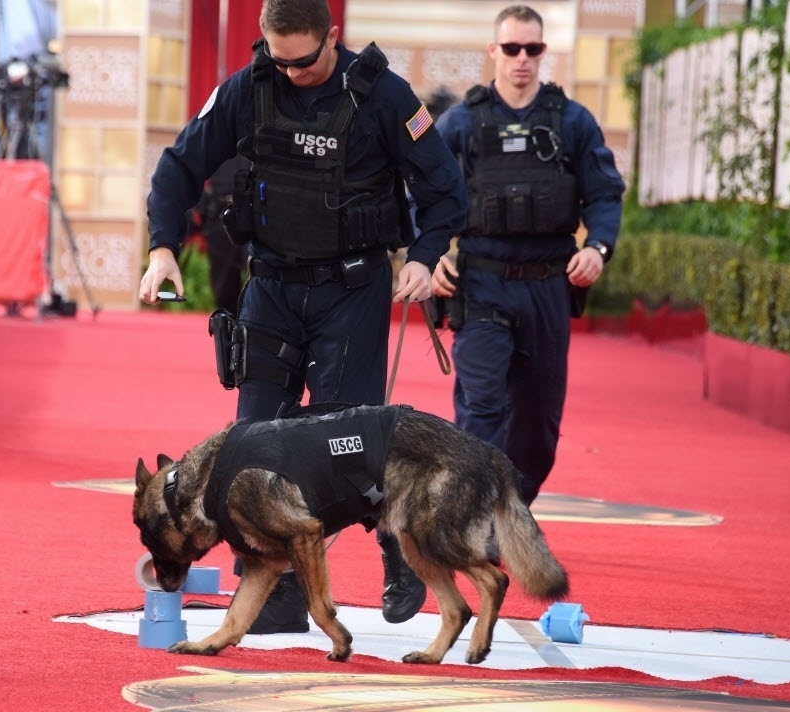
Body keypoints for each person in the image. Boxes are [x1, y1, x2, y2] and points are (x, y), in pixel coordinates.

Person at [139, 0, 467, 634]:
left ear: (332, 38)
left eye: (304, 61)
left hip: (352, 291)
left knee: (348, 444)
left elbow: (444, 188)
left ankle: (398, 548)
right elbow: (179, 166)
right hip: (271, 290)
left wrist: (426, 257)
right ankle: (278, 596)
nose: (289, 72)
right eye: (277, 58)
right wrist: (162, 249)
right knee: (254, 442)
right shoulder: (248, 87)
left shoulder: (384, 96)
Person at [431, 4, 625, 507]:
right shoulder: (462, 123)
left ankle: (512, 507)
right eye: (512, 48)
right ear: (494, 50)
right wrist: (429, 255)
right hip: (482, 283)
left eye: (532, 49)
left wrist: (599, 249)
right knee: (482, 406)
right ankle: (480, 517)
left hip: (546, 285)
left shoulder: (572, 122)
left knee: (538, 418)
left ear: (543, 53)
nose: (522, 59)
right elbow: (420, 191)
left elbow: (604, 195)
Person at [195, 155, 250, 313]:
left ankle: (252, 327)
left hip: (254, 214)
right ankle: (228, 330)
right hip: (219, 214)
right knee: (223, 286)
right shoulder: (213, 134)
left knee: (255, 276)